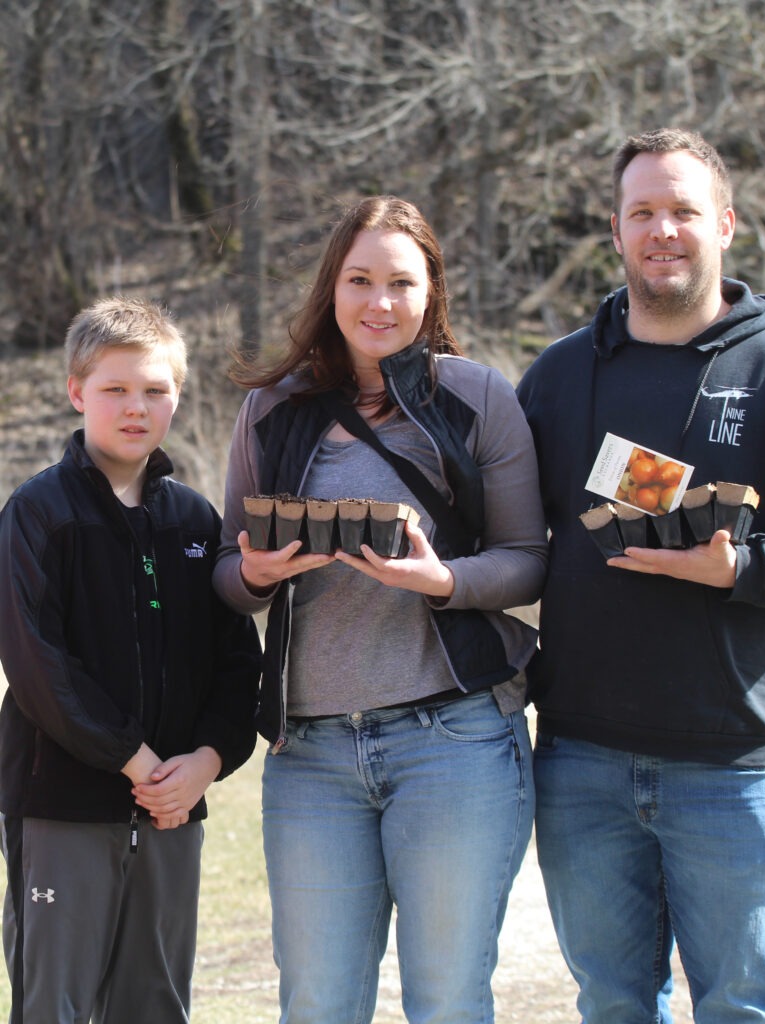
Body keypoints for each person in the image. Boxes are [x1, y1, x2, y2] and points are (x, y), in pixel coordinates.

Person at [516, 127, 765, 1024]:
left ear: (726, 225)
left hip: (732, 761)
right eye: (642, 213)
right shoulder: (557, 378)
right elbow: (504, 533)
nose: (662, 230)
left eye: (683, 211)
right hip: (580, 757)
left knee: (743, 1005)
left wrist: (742, 566)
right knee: (612, 1004)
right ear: (617, 232)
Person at [213, 195, 547, 1024]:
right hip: (313, 753)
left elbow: (527, 562)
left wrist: (443, 582)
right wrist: (256, 573)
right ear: (332, 288)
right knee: (318, 1005)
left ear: (431, 291)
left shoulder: (477, 400)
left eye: (401, 282)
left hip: (456, 741)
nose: (379, 303)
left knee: (445, 1001)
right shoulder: (272, 409)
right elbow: (226, 569)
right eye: (359, 279)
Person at [0, 297, 262, 1024]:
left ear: (177, 396)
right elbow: (36, 665)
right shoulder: (38, 514)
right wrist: (135, 761)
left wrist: (208, 759)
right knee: (54, 1004)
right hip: (63, 806)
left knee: (155, 1004)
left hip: (175, 808)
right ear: (76, 392)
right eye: (115, 388)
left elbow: (237, 660)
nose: (136, 407)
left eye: (155, 389)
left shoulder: (194, 520)